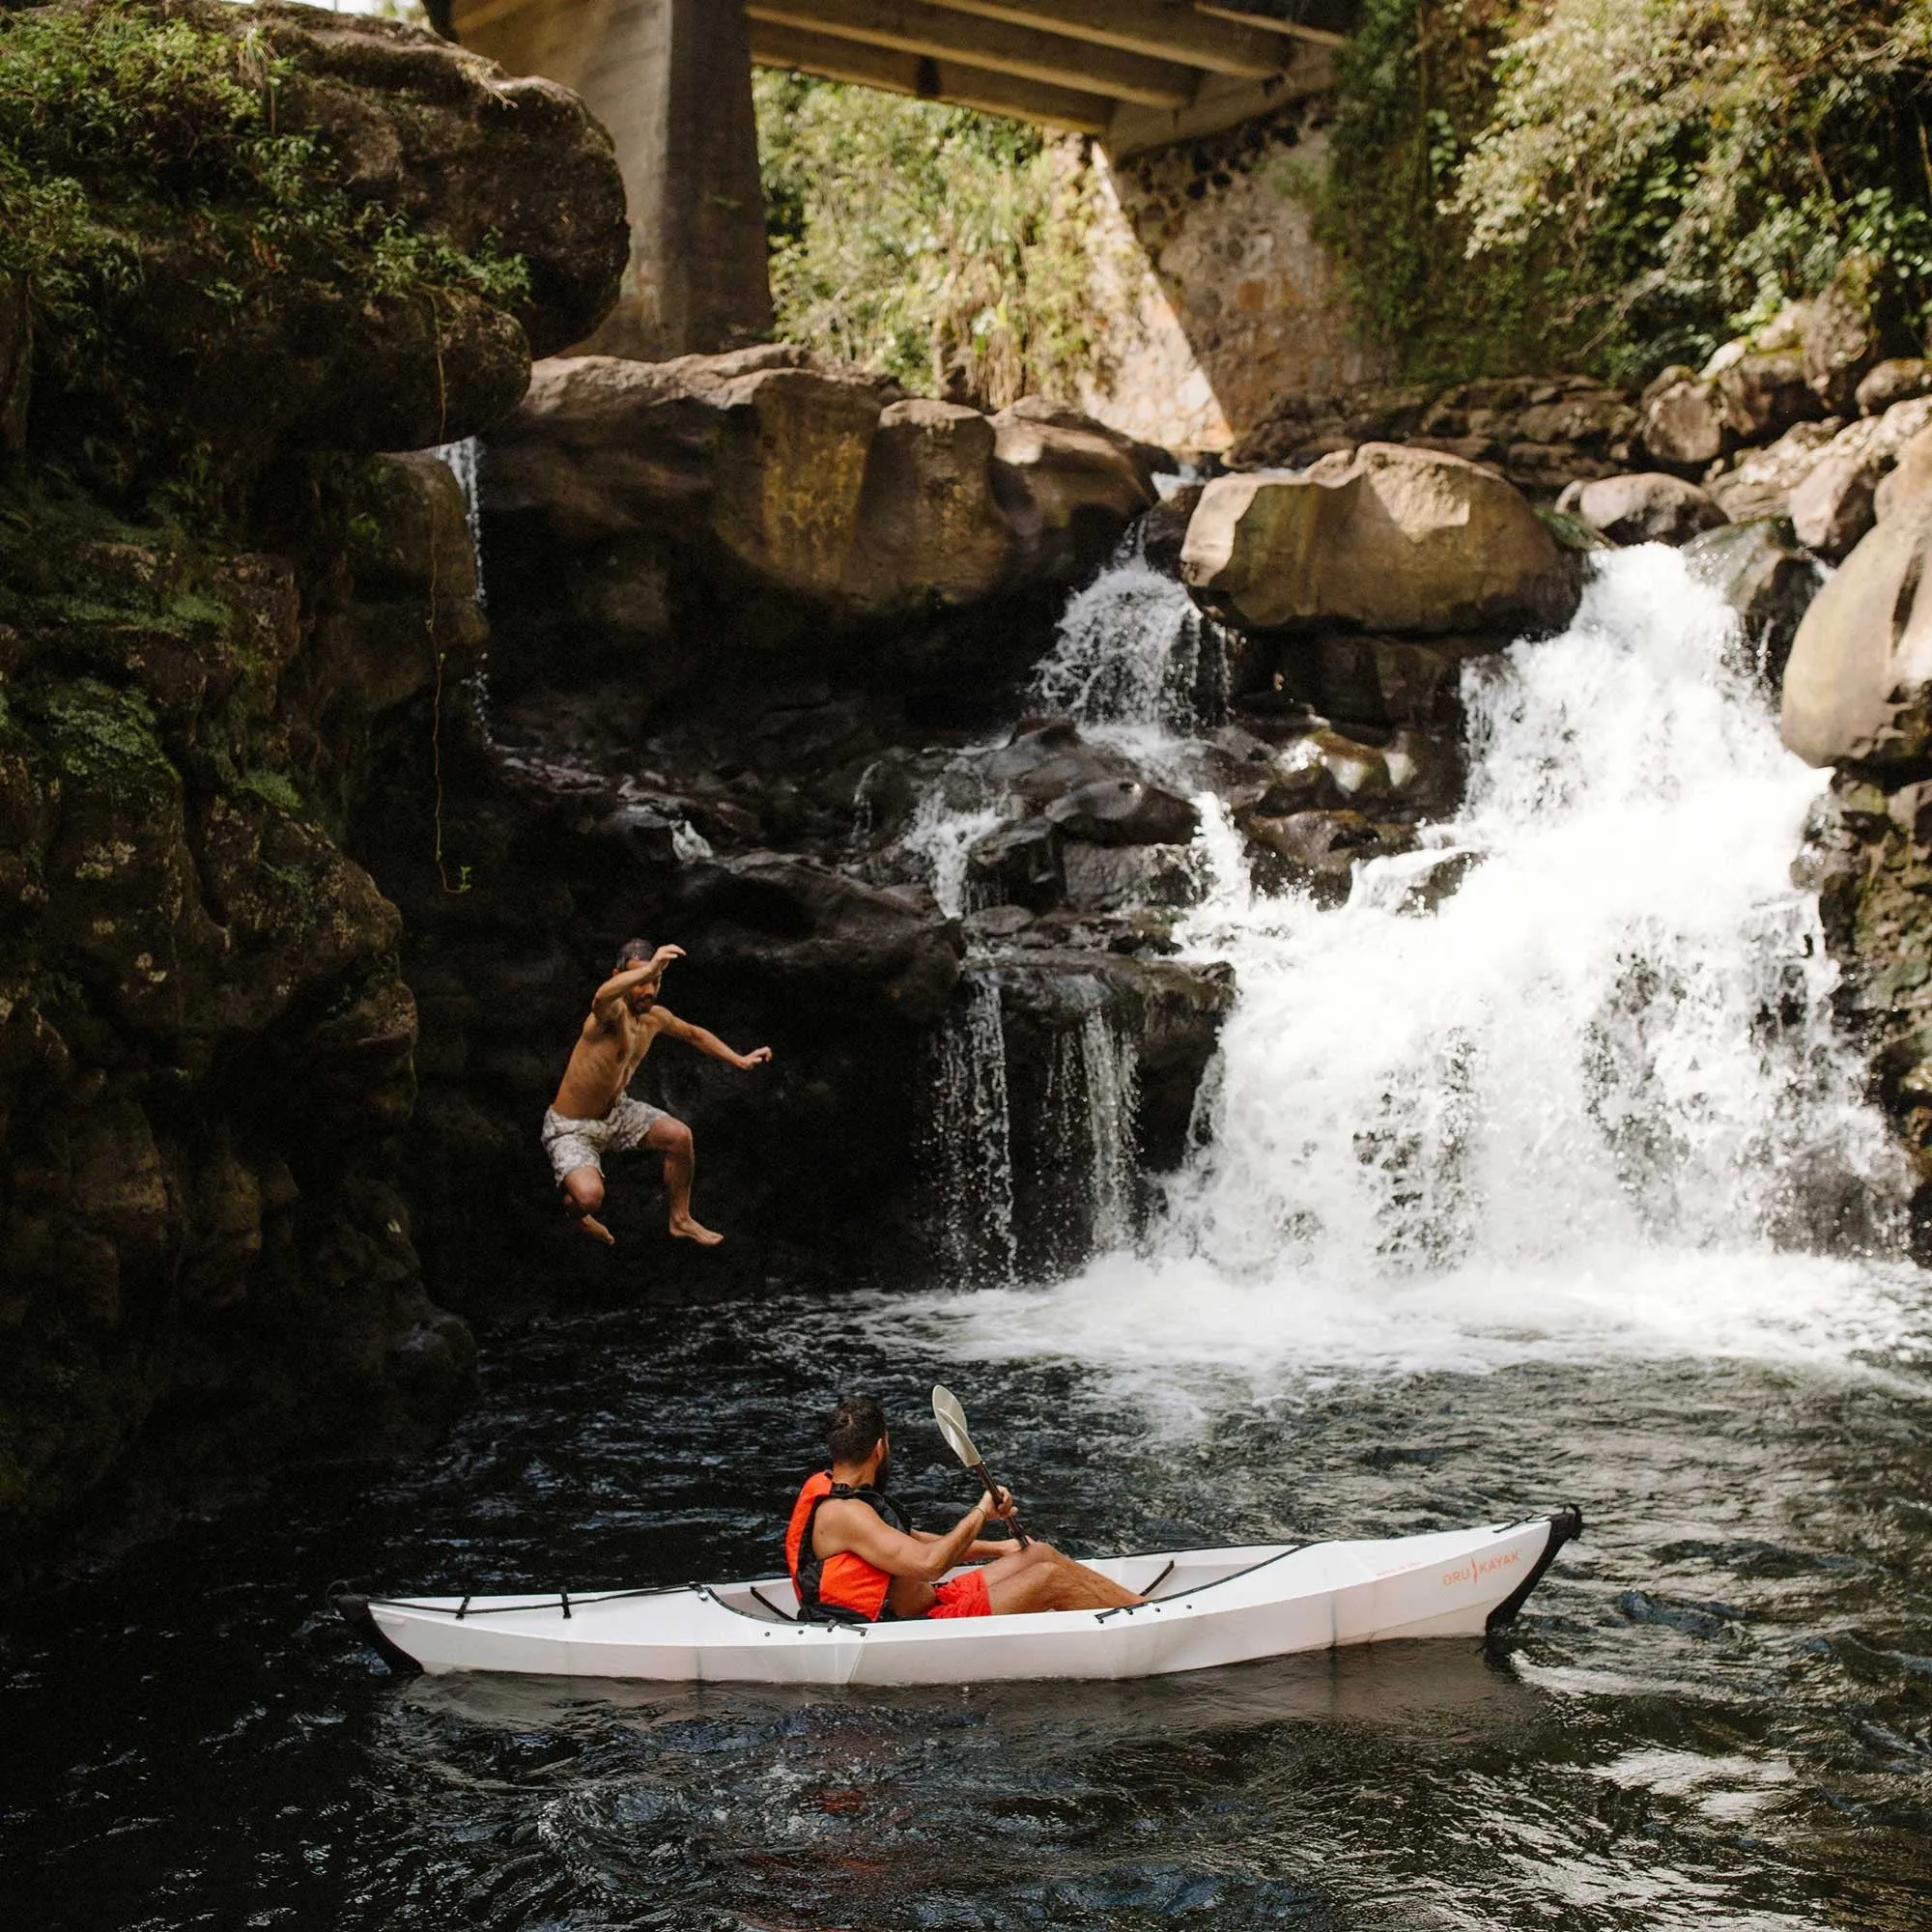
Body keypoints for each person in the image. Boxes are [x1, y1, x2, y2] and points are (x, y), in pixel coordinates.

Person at [784, 1395, 1145, 1621]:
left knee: (1039, 1555)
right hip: (910, 1629)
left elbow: (916, 1542)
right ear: (880, 1448)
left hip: (933, 1602)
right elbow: (929, 1564)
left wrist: (998, 1547)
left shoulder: (849, 1499)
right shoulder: (845, 1514)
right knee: (1052, 1579)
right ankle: (1146, 1617)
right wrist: (980, 1513)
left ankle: (1138, 1607)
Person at [543, 939, 772, 1248]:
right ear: (619, 976)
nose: (648, 990)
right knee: (589, 1198)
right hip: (572, 1127)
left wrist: (740, 1060)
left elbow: (693, 1034)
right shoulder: (609, 1015)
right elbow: (600, 996)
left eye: (655, 981)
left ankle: (680, 1218)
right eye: (640, 981)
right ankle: (578, 1213)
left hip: (617, 1113)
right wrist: (649, 968)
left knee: (679, 1137)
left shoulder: (654, 1018)